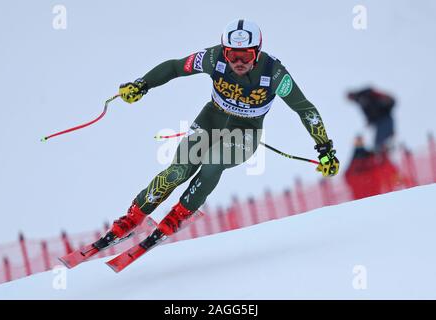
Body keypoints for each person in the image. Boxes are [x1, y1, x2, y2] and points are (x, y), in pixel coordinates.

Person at [94, 19, 340, 249]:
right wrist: (142, 84)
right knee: (178, 170)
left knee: (212, 164)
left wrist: (325, 149)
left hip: (246, 132)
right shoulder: (213, 58)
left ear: (258, 52)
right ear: (225, 51)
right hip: (211, 118)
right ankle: (133, 218)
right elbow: (174, 67)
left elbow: (305, 108)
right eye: (233, 55)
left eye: (246, 55)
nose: (239, 61)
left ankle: (179, 214)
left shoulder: (274, 73)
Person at [347, 86, 396, 152]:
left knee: (383, 140)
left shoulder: (365, 94)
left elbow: (388, 102)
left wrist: (384, 102)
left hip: (384, 118)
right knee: (379, 142)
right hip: (379, 121)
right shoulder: (360, 101)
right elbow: (368, 112)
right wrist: (369, 121)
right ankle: (384, 152)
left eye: (350, 97)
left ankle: (389, 152)